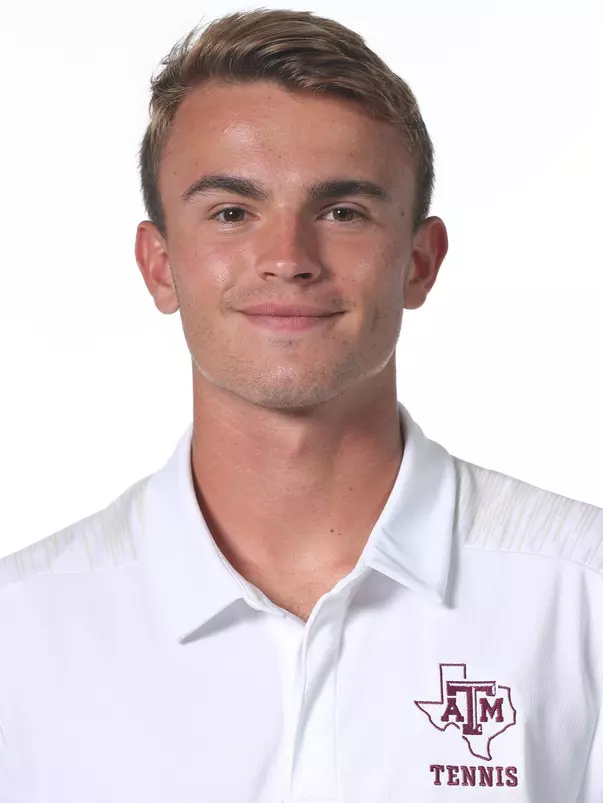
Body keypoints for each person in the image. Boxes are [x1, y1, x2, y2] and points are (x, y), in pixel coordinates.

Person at [1, 7, 601, 802]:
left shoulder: (582, 597)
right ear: (159, 266)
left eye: (341, 212)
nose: (287, 258)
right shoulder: (23, 634)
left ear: (419, 262)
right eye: (230, 212)